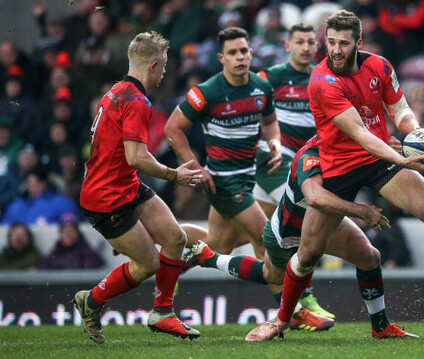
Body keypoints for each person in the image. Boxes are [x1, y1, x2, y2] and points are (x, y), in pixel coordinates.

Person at [258, 10, 424, 339]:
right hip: (337, 166)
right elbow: (361, 135)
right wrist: (405, 159)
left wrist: (416, 135)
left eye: (343, 43)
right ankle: (281, 319)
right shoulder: (321, 81)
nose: (335, 50)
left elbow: (400, 110)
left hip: (377, 158)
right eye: (331, 43)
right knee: (308, 253)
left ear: (359, 42)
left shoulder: (380, 67)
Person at [188, 136, 412, 340]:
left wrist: (390, 150)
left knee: (369, 256)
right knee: (270, 275)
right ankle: (210, 258)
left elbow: (364, 158)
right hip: (288, 232)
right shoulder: (310, 155)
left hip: (326, 220)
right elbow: (315, 198)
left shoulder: (348, 143)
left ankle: (381, 326)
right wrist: (362, 211)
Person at [74, 31, 203, 345]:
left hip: (124, 186)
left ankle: (163, 313)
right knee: (148, 264)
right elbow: (136, 157)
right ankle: (91, 300)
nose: (165, 73)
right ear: (155, 65)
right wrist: (175, 175)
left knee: (176, 238)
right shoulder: (137, 101)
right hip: (105, 198)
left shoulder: (116, 91)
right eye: (165, 66)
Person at [164, 27, 281, 260]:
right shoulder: (207, 92)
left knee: (218, 246)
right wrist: (195, 167)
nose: (240, 56)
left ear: (251, 53)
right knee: (265, 240)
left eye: (244, 51)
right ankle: (286, 297)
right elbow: (172, 129)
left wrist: (274, 143)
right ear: (221, 58)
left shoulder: (262, 87)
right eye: (232, 52)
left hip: (249, 177)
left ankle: (158, 243)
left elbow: (269, 122)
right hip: (223, 182)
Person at [254, 23, 331, 318]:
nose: (306, 47)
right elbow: (247, 104)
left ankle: (186, 255)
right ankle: (306, 297)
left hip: (310, 159)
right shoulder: (270, 78)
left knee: (221, 241)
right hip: (276, 161)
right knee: (305, 219)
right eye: (300, 42)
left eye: (311, 42)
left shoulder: (323, 77)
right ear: (287, 45)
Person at [37, 212, 104, 270]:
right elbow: (42, 270)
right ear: (61, 233)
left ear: (77, 233)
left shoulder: (86, 252)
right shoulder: (55, 252)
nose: (68, 234)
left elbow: (93, 266)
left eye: (71, 231)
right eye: (65, 231)